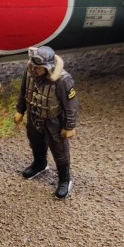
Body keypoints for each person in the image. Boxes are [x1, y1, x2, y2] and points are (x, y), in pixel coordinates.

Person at [13, 46, 79, 199]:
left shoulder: (63, 80)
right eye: (35, 66)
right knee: (35, 142)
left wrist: (69, 126)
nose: (36, 70)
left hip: (53, 121)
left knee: (59, 150)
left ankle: (65, 180)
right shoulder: (29, 71)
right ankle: (39, 164)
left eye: (40, 67)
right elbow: (23, 92)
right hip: (34, 115)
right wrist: (20, 110)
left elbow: (71, 105)